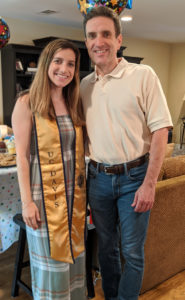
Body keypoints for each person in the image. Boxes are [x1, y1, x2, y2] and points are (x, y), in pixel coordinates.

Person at [80, 6, 173, 300]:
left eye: (106, 34)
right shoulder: (84, 86)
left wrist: (149, 184)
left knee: (132, 252)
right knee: (106, 249)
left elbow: (161, 131)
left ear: (119, 39)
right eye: (92, 36)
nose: (99, 41)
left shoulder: (143, 75)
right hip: (98, 178)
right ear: (86, 43)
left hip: (135, 177)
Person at [12, 38, 87, 300]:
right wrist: (26, 202)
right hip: (43, 197)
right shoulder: (27, 103)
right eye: (58, 61)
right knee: (51, 267)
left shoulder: (74, 101)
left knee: (74, 262)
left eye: (71, 64)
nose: (64, 69)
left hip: (73, 197)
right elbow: (21, 157)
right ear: (46, 63)